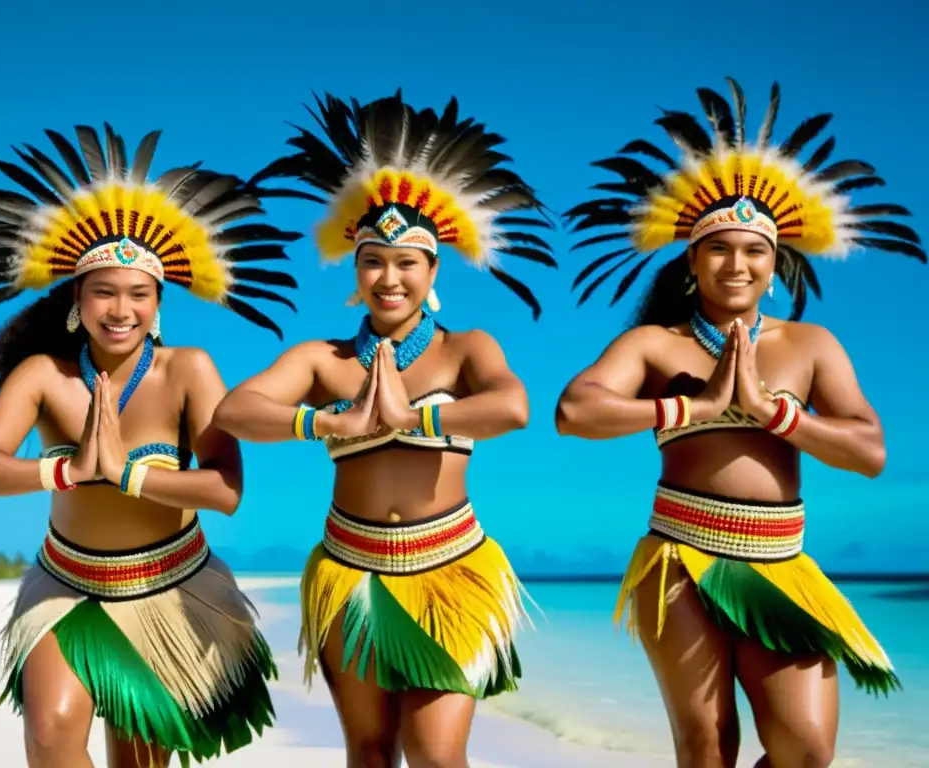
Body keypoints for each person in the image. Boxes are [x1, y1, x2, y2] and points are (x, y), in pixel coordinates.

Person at [555, 78, 923, 768]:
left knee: (806, 750)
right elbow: (575, 412)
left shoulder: (811, 346)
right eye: (719, 248)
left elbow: (869, 451)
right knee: (707, 745)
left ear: (775, 264)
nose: (738, 263)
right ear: (692, 262)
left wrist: (771, 414)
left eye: (754, 250)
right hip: (680, 559)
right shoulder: (656, 345)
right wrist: (689, 409)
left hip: (781, 561)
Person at [0, 122, 303, 768]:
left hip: (170, 588)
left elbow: (225, 489)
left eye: (138, 294)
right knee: (50, 736)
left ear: (159, 303)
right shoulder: (44, 376)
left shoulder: (188, 369)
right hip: (66, 585)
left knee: (138, 762)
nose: (120, 308)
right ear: (77, 299)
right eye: (103, 291)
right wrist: (68, 469)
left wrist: (130, 477)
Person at [212, 91, 557, 767]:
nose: (389, 277)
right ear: (355, 270)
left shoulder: (465, 351)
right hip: (352, 570)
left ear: (433, 273)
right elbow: (236, 411)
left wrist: (413, 416)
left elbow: (513, 407)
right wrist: (328, 420)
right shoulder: (325, 360)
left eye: (407, 263)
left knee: (434, 753)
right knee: (369, 753)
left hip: (452, 567)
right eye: (374, 261)